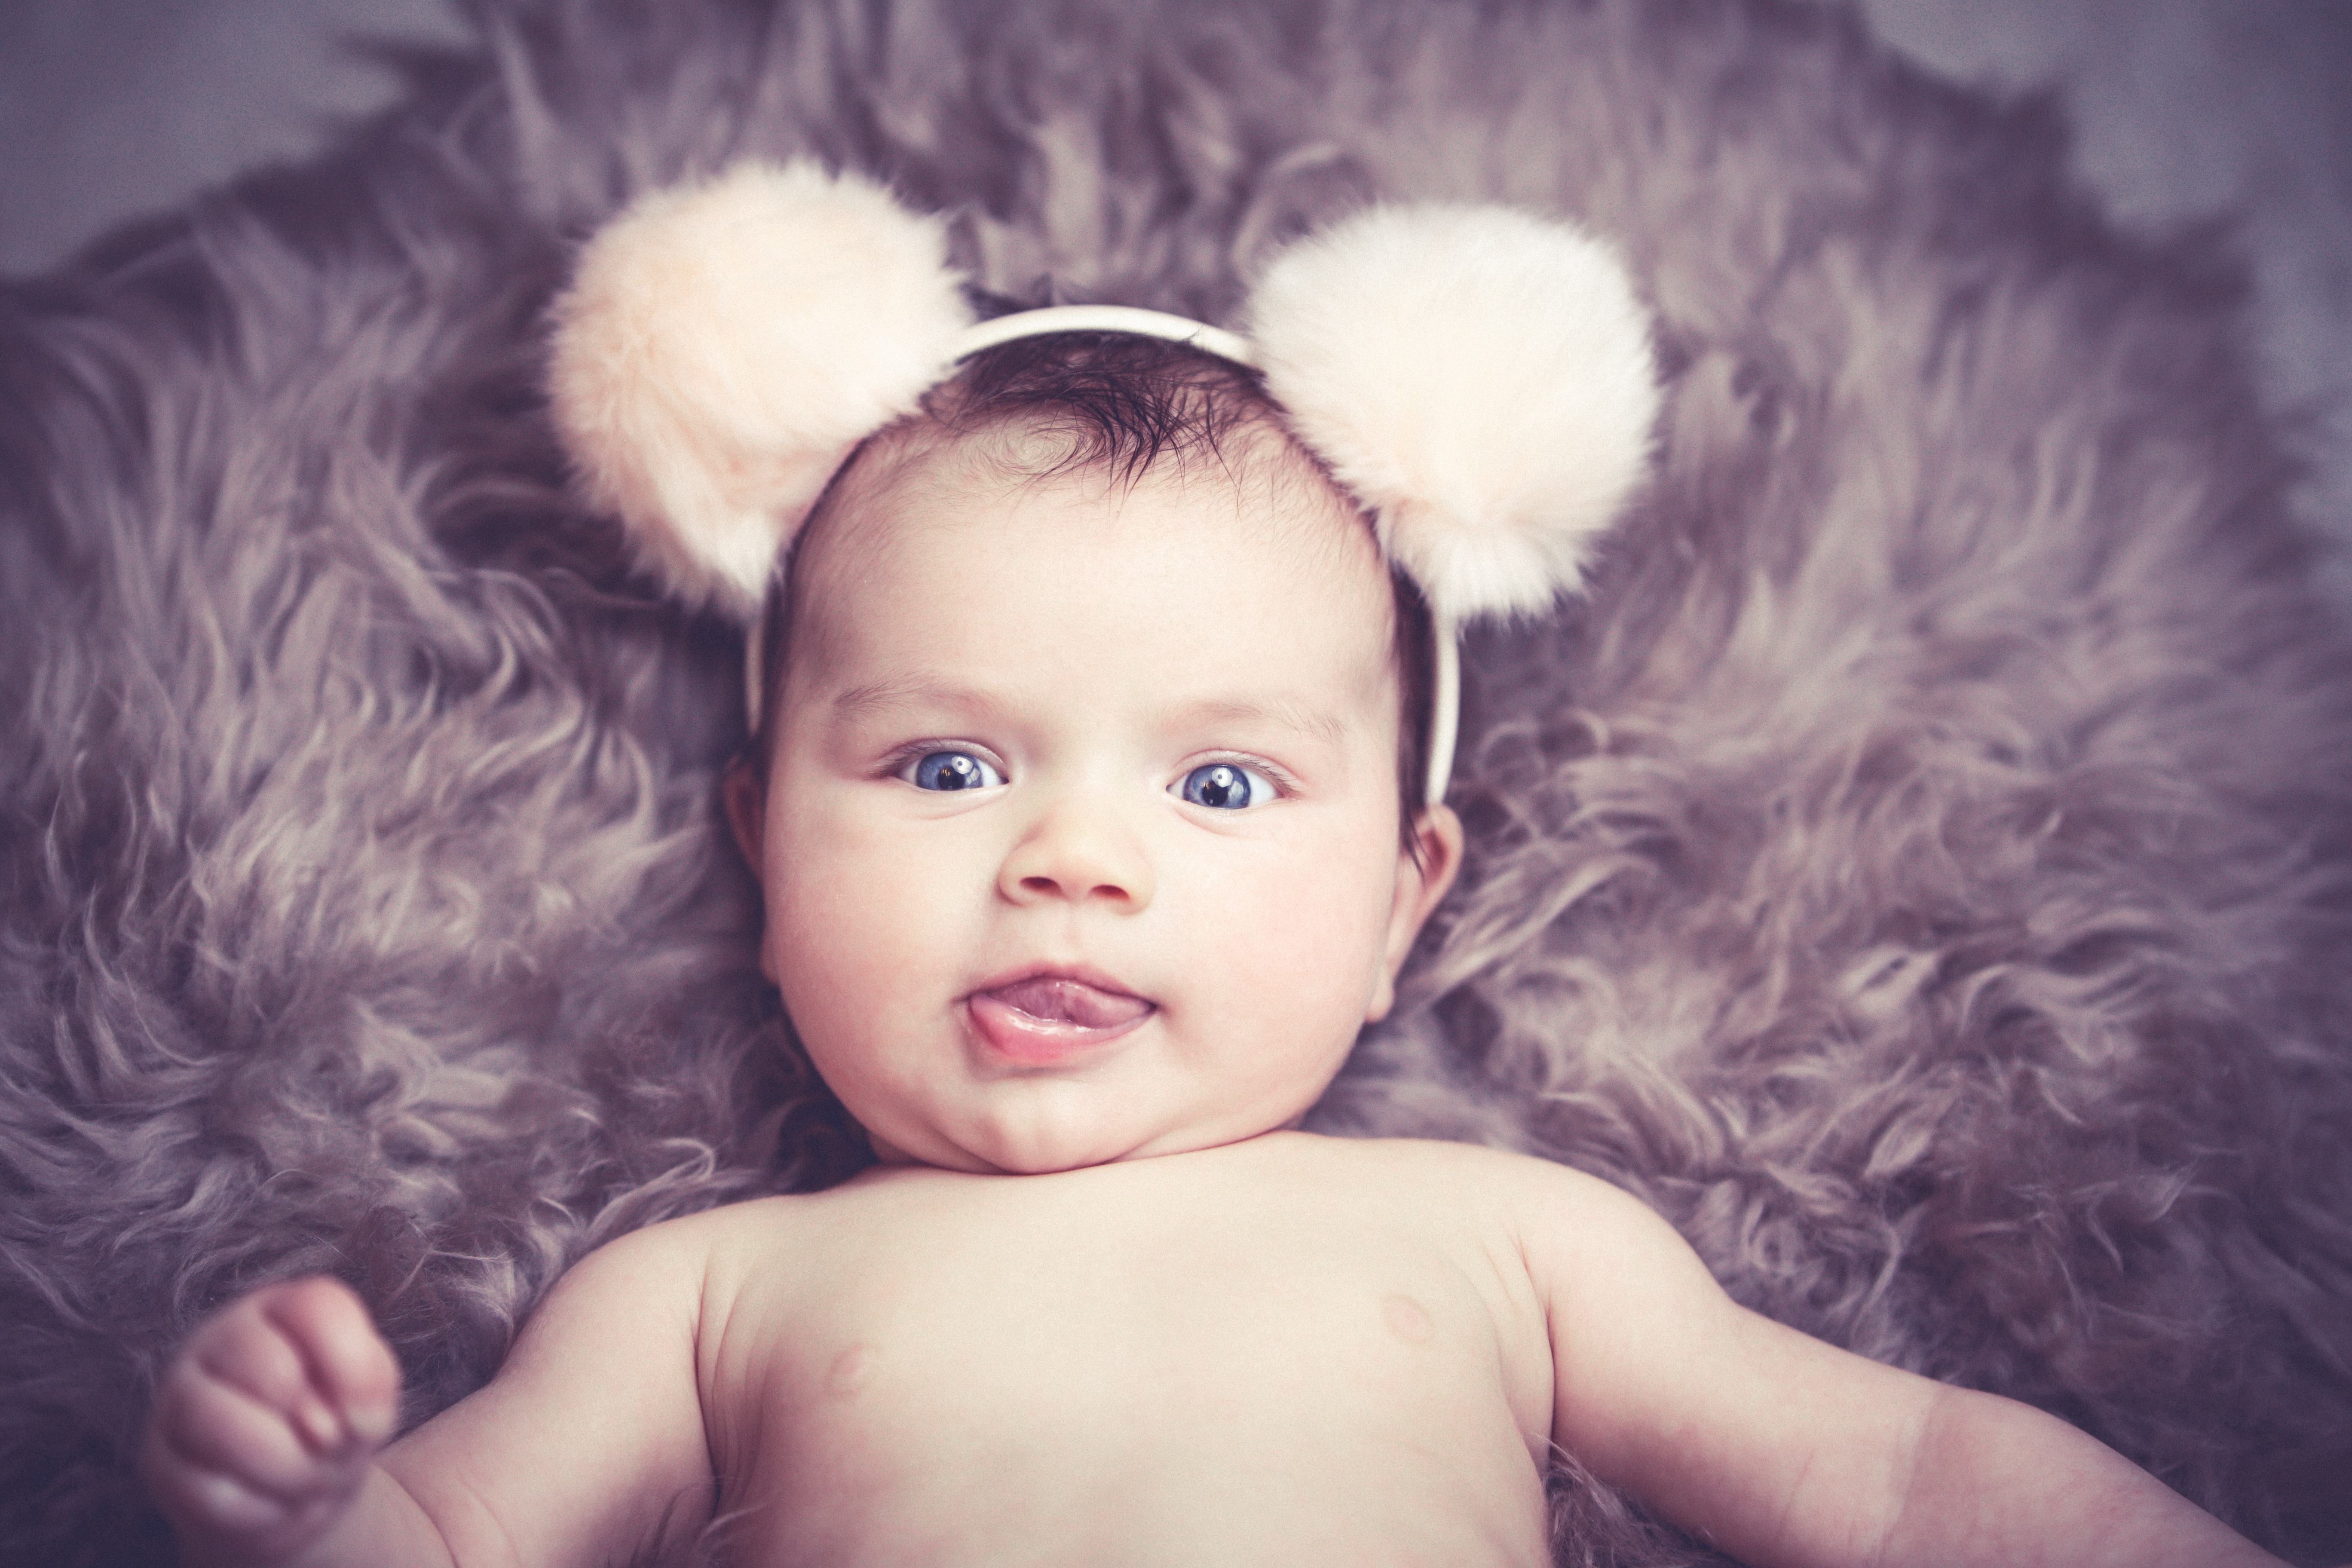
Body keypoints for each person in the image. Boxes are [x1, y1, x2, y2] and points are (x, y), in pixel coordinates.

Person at [139, 164, 2291, 1568]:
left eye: (1226, 790)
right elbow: (452, 1532)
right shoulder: (701, 1301)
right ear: (759, 844)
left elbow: (1911, 1487)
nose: (1074, 857)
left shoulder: (1513, 1244)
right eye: (950, 762)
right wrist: (313, 1505)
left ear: (1402, 900)